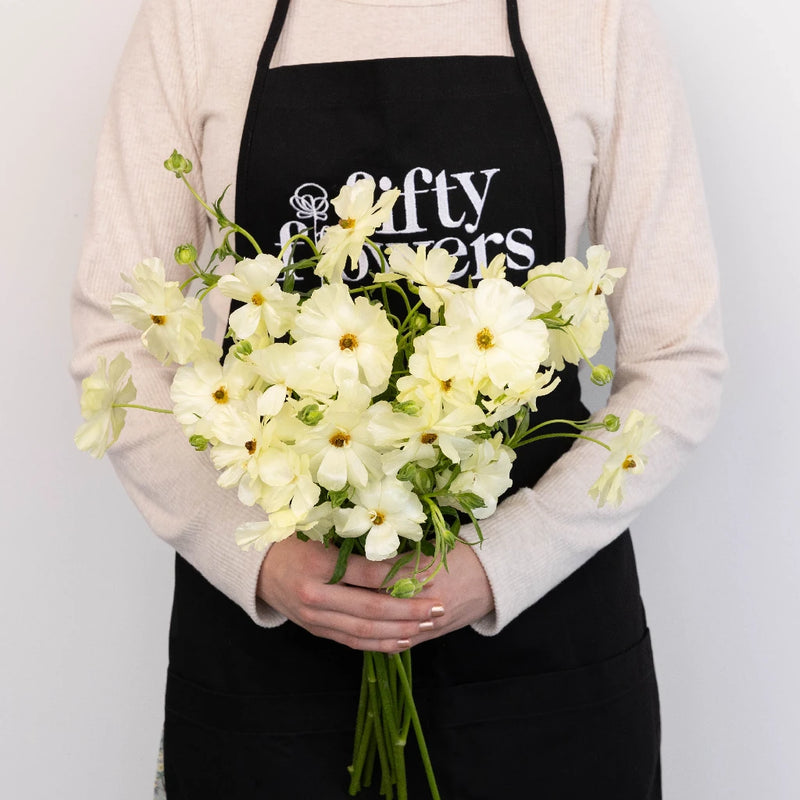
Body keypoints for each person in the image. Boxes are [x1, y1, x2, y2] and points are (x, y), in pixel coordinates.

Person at [71, 0, 726, 797]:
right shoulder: (196, 18)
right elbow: (118, 339)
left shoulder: (593, 17)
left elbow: (679, 357)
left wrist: (505, 562)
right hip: (275, 648)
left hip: (542, 640)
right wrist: (259, 556)